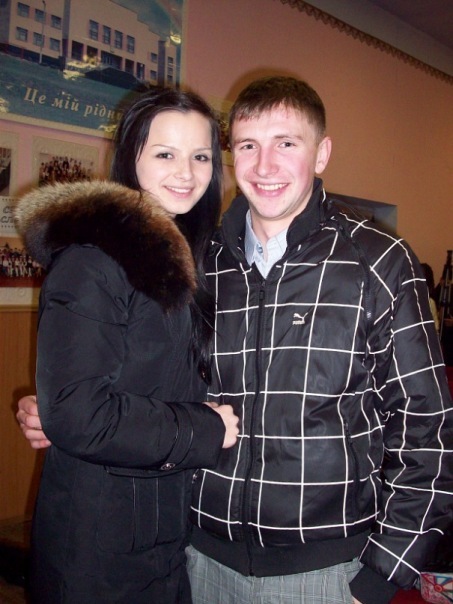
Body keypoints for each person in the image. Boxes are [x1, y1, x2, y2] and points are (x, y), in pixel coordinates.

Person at [17, 76, 453, 604]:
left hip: (326, 573)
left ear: (321, 154)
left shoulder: (377, 261)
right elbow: (143, 380)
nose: (265, 166)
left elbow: (428, 427)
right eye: (248, 145)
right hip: (196, 559)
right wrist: (63, 409)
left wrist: (386, 571)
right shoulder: (202, 262)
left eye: (285, 143)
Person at [13, 86, 239, 604]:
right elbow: (81, 414)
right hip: (99, 552)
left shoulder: (189, 256)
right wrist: (204, 428)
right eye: (165, 154)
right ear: (130, 158)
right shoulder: (93, 260)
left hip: (160, 532)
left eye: (201, 156)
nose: (186, 173)